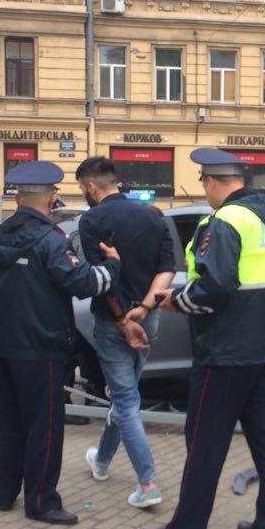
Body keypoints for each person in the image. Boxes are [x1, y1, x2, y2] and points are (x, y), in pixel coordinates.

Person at [137, 148, 265, 529]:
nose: (204, 190)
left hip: (224, 352)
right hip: (264, 347)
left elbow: (215, 287)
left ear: (215, 181)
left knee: (205, 441)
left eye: (204, 181)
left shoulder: (224, 222)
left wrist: (176, 301)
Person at [0, 161, 121, 525]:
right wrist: (113, 267)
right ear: (51, 198)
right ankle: (41, 501)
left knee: (7, 421)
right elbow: (83, 283)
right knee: (45, 425)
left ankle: (3, 491)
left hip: (2, 346)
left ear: (19, 197)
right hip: (43, 348)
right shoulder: (50, 241)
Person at [75, 156, 176, 510]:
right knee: (124, 394)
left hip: (116, 323)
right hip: (148, 320)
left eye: (81, 189)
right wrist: (144, 309)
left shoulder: (92, 220)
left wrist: (123, 319)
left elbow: (99, 279)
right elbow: (168, 270)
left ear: (90, 186)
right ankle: (101, 461)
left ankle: (147, 483)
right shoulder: (153, 215)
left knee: (127, 401)